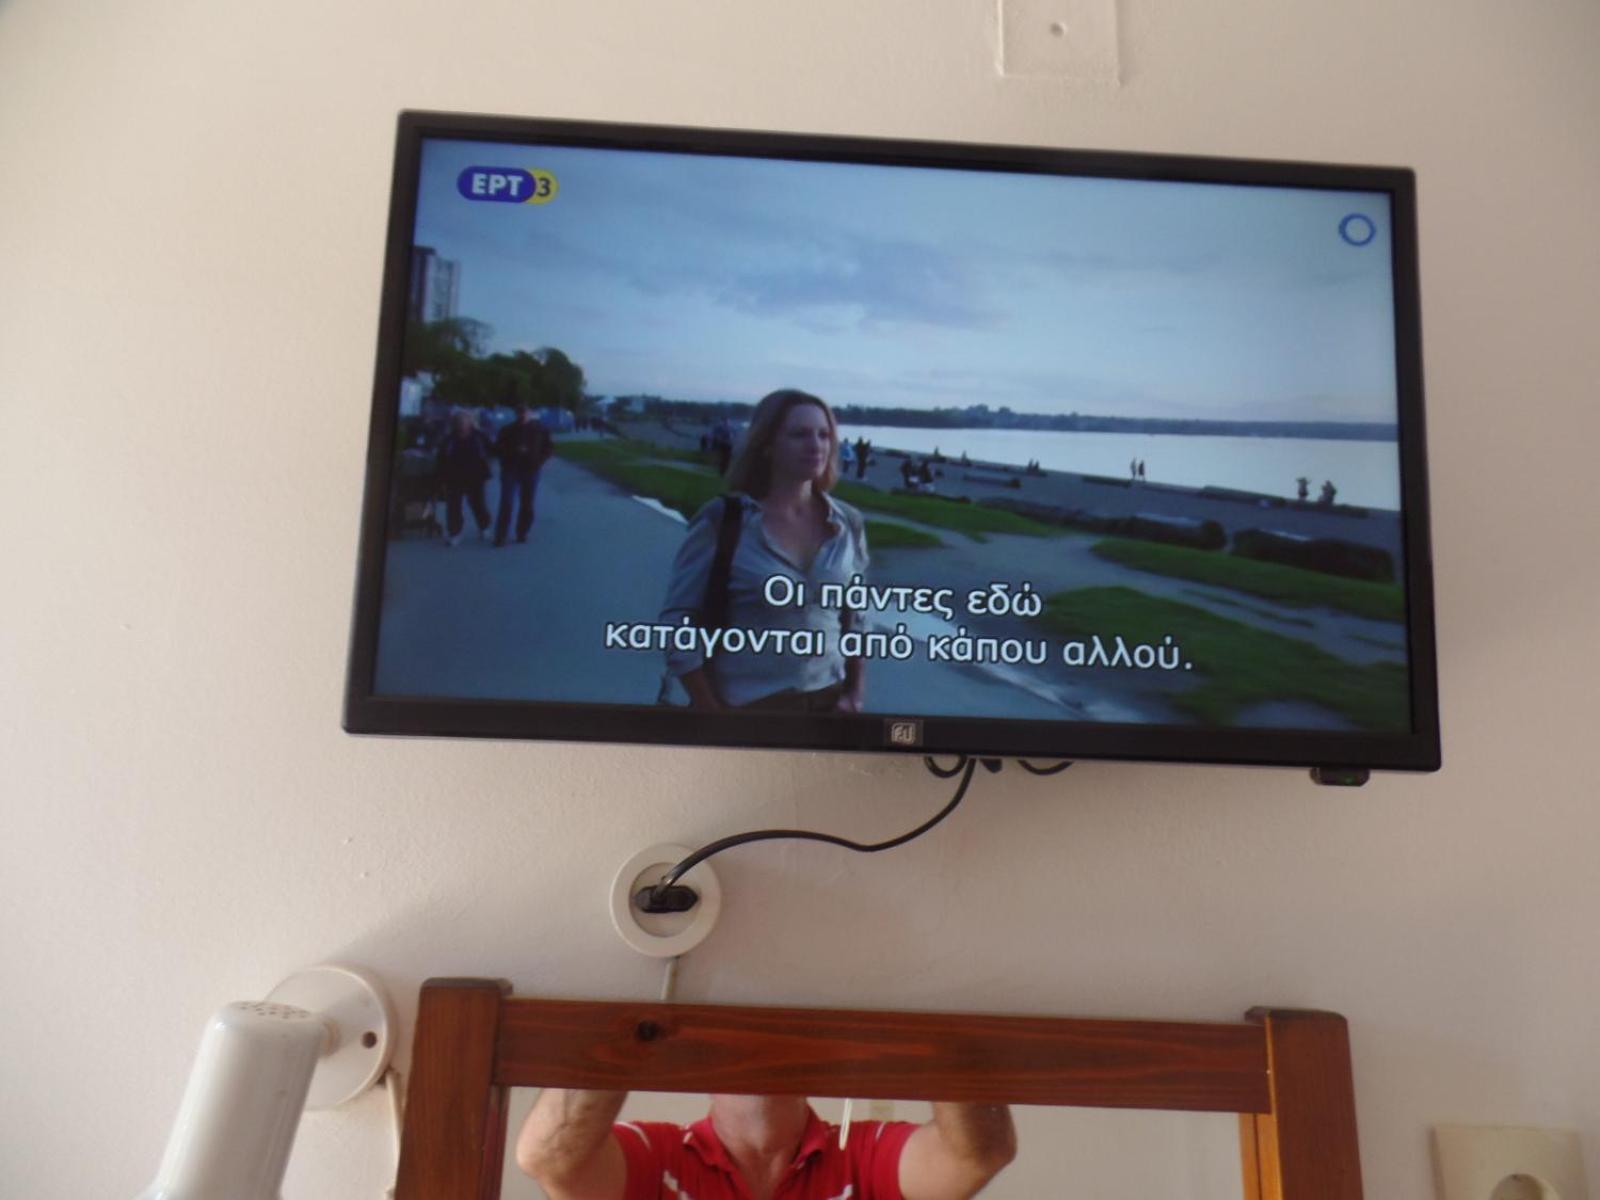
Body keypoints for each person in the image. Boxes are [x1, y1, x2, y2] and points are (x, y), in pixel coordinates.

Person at [659, 389, 869, 712]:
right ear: (767, 444)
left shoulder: (848, 522)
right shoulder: (724, 521)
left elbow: (857, 619)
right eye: (799, 434)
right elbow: (678, 624)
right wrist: (709, 710)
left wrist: (854, 693)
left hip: (829, 702)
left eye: (824, 435)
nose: (816, 446)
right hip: (746, 707)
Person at [516, 1090, 1017, 1200]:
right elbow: (549, 1159)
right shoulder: (656, 1152)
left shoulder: (862, 1154)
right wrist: (635, 1018)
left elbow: (978, 1155)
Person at [493, 403, 554, 546]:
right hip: (510, 469)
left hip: (531, 470)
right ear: (516, 414)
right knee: (506, 502)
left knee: (527, 503)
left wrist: (539, 460)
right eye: (519, 413)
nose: (522, 415)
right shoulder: (507, 430)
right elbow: (497, 448)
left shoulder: (540, 429)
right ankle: (501, 535)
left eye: (524, 412)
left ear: (530, 413)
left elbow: (549, 447)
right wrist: (512, 451)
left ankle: (522, 532)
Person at [436, 407, 493, 546]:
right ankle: (455, 533)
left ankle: (484, 526)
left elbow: (491, 450)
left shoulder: (479, 436)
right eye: (458, 422)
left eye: (464, 421)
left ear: (470, 422)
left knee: (478, 504)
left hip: (476, 476)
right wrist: (442, 478)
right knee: (453, 506)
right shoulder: (449, 439)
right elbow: (441, 458)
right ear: (454, 424)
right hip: (454, 477)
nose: (461, 424)